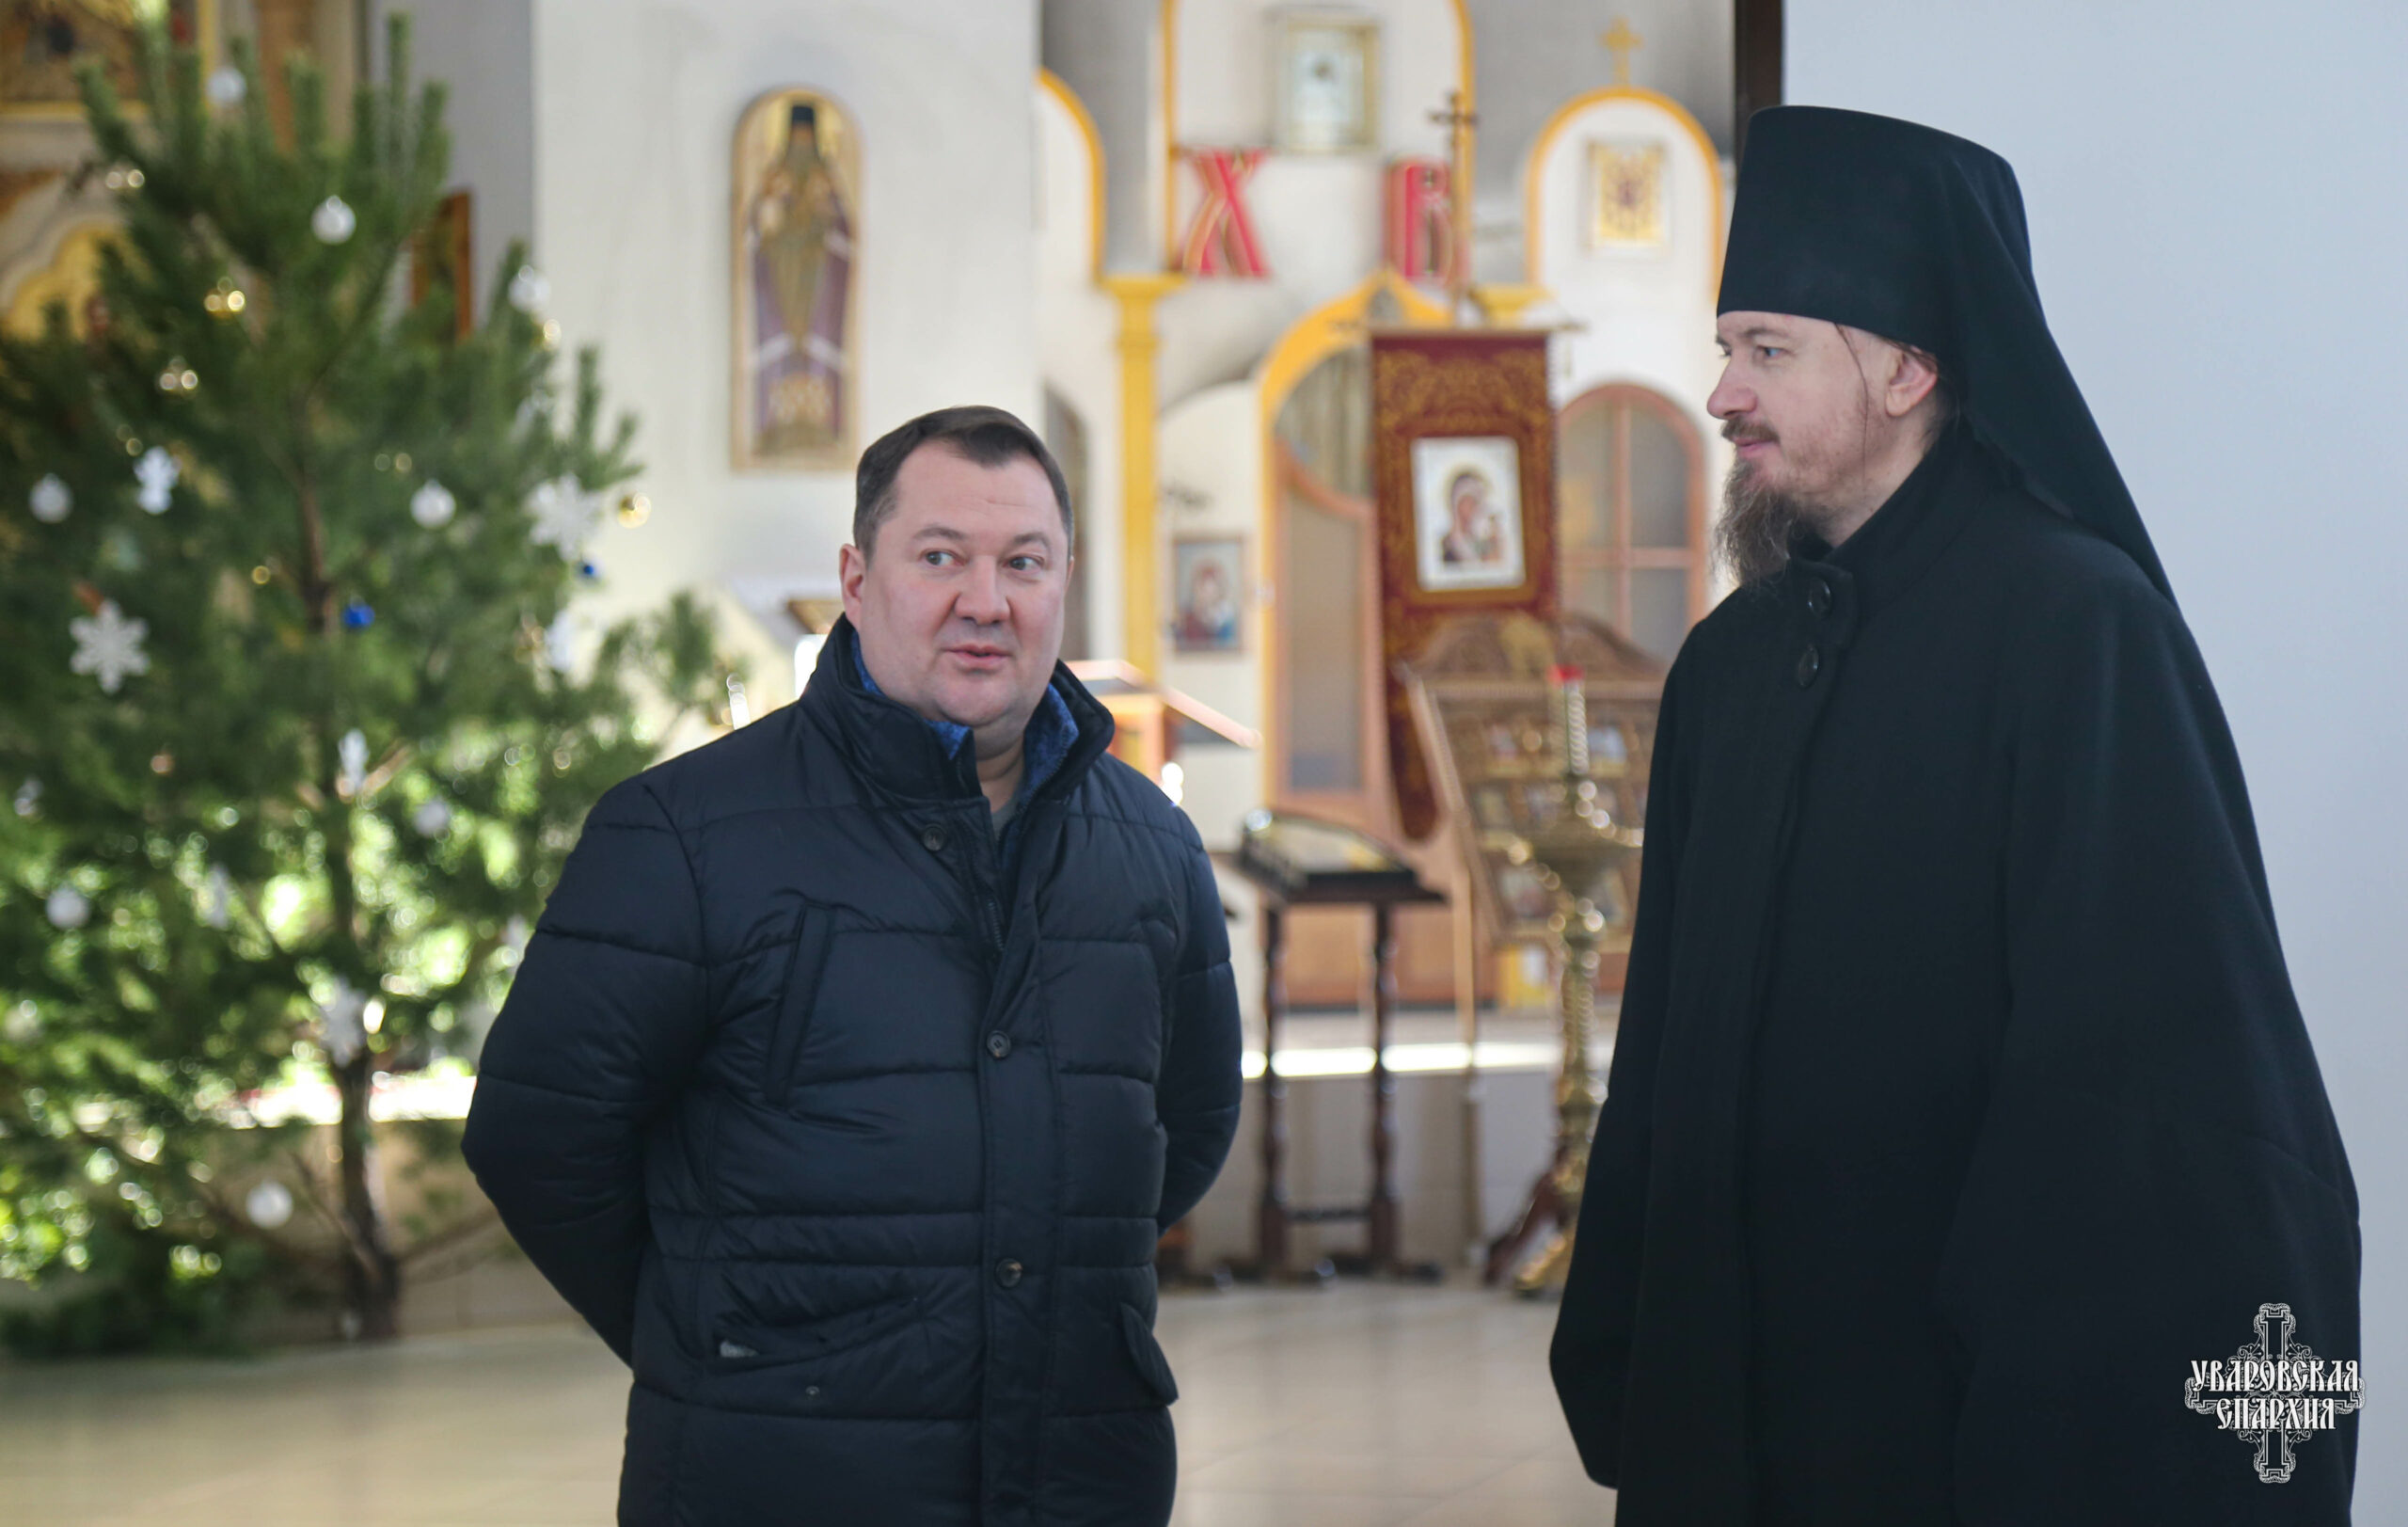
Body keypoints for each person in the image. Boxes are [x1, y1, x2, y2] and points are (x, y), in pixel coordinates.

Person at [1549, 107, 2358, 1525]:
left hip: (1953, 1442)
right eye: (1727, 347)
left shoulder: (2079, 632)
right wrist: (1629, 1357)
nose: (1723, 393)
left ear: (1908, 368)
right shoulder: (1728, 670)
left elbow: (2150, 1104)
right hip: (1723, 1428)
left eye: (1768, 350)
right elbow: (1663, 1050)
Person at [464, 406, 1244, 1527]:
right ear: (856, 579)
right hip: (777, 1473)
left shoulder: (1150, 844)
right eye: (941, 558)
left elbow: (1189, 1124)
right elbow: (539, 1138)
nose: (986, 600)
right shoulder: (684, 833)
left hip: (1077, 1469)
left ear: (1064, 584)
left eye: (1023, 563)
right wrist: (725, 1341)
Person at [1437, 469, 1503, 566]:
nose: (1472, 508)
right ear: (1457, 505)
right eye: (1466, 502)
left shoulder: (1482, 540)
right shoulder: (1447, 544)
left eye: (1474, 502)